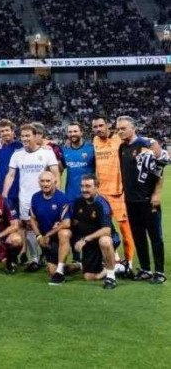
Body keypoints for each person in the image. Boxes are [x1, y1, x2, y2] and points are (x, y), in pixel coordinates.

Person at [2, 123, 60, 271]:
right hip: (26, 198)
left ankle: (50, 257)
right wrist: (4, 194)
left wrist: (57, 193)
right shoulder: (17, 154)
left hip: (45, 197)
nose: (25, 138)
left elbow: (55, 173)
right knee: (29, 227)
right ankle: (34, 258)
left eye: (28, 135)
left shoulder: (47, 153)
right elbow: (10, 175)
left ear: (35, 136)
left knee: (48, 226)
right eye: (23, 136)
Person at [116, 115, 166, 284]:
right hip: (131, 201)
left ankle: (159, 272)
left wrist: (157, 194)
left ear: (133, 128)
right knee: (138, 237)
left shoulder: (147, 144)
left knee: (155, 237)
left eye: (123, 128)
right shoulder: (122, 148)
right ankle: (145, 269)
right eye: (118, 129)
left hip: (148, 200)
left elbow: (159, 170)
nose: (120, 131)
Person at [91, 114, 136, 275]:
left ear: (108, 125)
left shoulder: (119, 138)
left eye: (101, 126)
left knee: (125, 229)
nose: (98, 129)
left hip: (119, 193)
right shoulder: (95, 142)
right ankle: (115, 260)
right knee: (105, 228)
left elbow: (136, 141)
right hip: (102, 194)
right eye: (95, 127)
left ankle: (129, 263)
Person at [61, 174, 120, 289]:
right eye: (82, 186)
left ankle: (111, 277)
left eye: (88, 186)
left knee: (105, 241)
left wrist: (84, 239)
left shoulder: (102, 204)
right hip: (90, 243)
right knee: (89, 277)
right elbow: (70, 219)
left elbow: (107, 230)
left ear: (97, 187)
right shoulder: (78, 202)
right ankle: (116, 267)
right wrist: (60, 223)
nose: (84, 189)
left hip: (105, 239)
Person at [29, 170, 73, 284]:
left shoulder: (62, 198)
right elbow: (32, 219)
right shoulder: (35, 197)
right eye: (42, 181)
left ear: (55, 182)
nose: (45, 184)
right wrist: (39, 236)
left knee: (64, 233)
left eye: (48, 181)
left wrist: (48, 234)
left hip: (57, 238)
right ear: (39, 183)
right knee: (51, 273)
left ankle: (60, 269)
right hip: (45, 239)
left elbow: (67, 223)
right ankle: (74, 266)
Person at [62, 122, 95, 201]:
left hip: (88, 194)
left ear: (81, 132)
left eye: (75, 131)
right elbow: (59, 169)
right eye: (70, 132)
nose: (72, 134)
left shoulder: (91, 148)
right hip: (70, 195)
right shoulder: (65, 150)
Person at [0, 119, 22, 212]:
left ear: (12, 131)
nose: (5, 133)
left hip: (18, 191)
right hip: (1, 191)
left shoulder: (21, 146)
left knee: (19, 222)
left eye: (7, 130)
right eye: (2, 131)